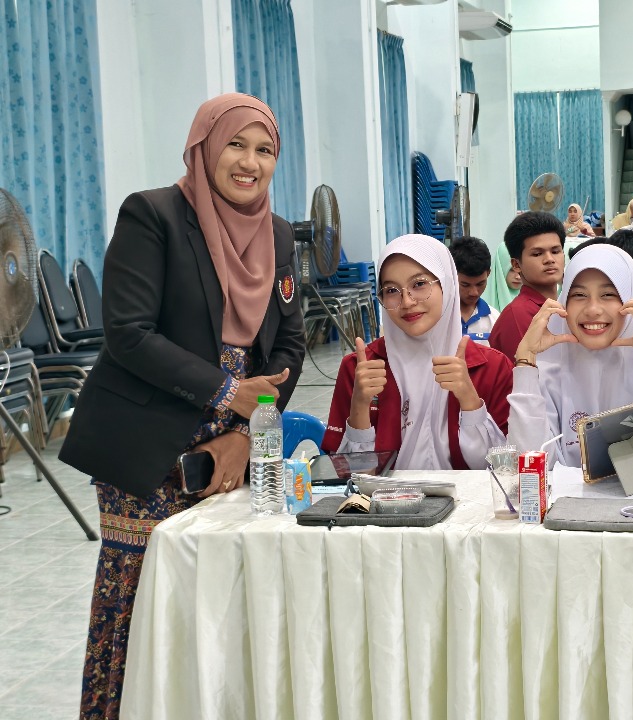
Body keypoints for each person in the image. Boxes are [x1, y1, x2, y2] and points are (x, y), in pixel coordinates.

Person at [58, 93, 307, 718]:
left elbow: (290, 343)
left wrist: (247, 431)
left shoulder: (277, 234)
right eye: (235, 145)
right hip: (148, 443)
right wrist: (225, 391)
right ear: (204, 146)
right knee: (145, 595)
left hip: (234, 441)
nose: (249, 163)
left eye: (265, 150)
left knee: (221, 592)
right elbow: (129, 332)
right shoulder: (154, 215)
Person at [506, 244, 633, 470]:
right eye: (579, 295)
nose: (593, 309)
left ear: (632, 298)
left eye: (608, 294)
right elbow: (528, 465)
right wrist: (525, 362)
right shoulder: (548, 361)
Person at [323, 234, 512, 468]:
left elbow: (504, 470)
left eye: (419, 284)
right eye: (391, 290)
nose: (407, 302)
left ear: (447, 285)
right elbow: (349, 472)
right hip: (386, 493)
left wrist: (469, 400)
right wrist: (360, 407)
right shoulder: (360, 369)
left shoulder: (492, 368)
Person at [488, 211, 566, 360]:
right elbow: (522, 371)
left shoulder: (567, 305)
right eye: (537, 254)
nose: (549, 259)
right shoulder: (517, 316)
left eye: (555, 251)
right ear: (516, 264)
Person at [449, 235, 499, 341]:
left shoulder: (494, 320)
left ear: (488, 274)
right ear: (451, 275)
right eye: (465, 285)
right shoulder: (437, 317)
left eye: (480, 284)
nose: (474, 293)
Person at [482, 241, 522, 312]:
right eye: (511, 270)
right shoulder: (479, 304)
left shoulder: (537, 302)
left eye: (521, 269)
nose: (518, 277)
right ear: (500, 268)